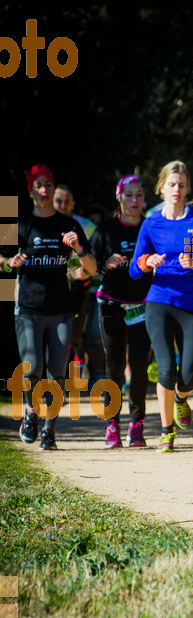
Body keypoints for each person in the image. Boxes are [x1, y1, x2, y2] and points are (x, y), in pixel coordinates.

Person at [0, 164, 96, 449]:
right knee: (32, 369)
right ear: (30, 191)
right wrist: (8, 263)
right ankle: (31, 413)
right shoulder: (17, 225)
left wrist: (79, 249)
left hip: (62, 310)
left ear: (54, 189)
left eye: (48, 185)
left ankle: (49, 431)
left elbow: (91, 267)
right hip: (28, 309)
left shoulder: (70, 225)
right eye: (38, 185)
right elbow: (0, 259)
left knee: (57, 372)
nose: (44, 190)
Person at [129, 160, 193, 452]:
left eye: (182, 185)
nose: (177, 190)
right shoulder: (151, 222)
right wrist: (147, 262)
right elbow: (134, 268)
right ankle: (167, 431)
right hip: (159, 300)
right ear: (161, 188)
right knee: (166, 369)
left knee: (190, 375)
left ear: (188, 188)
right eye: (172, 184)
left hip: (192, 302)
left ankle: (181, 398)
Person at [90, 175, 152, 448]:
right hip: (112, 305)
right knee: (113, 367)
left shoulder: (151, 227)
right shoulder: (105, 230)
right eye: (129, 195)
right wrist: (105, 262)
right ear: (120, 197)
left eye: (139, 195)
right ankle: (112, 424)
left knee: (139, 366)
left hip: (143, 306)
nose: (135, 201)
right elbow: (89, 267)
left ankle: (137, 426)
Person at [53, 184, 96, 377]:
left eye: (66, 202)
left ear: (73, 205)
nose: (62, 206)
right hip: (53, 288)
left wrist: (87, 271)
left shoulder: (85, 226)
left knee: (75, 336)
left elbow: (99, 258)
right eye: (58, 201)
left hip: (80, 289)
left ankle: (81, 361)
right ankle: (58, 381)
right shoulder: (39, 224)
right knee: (55, 336)